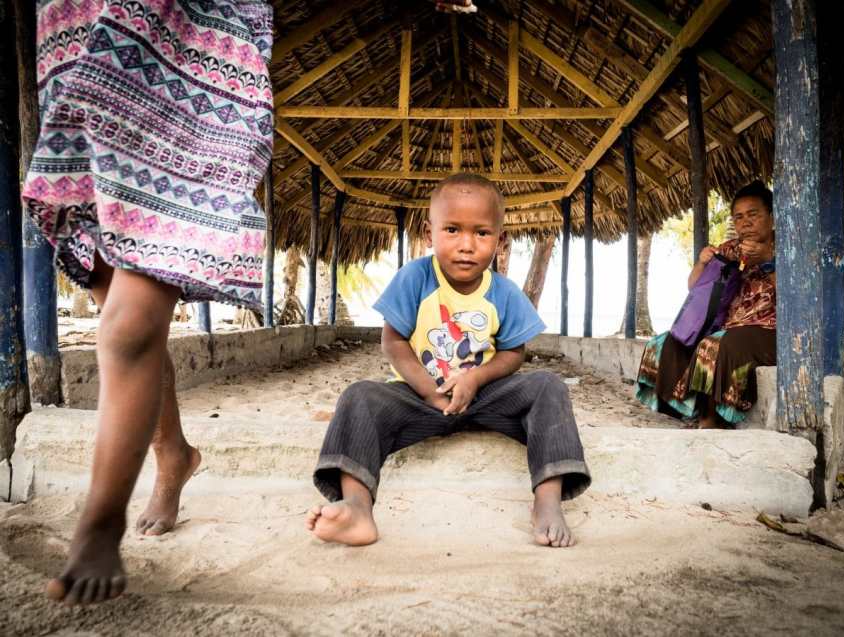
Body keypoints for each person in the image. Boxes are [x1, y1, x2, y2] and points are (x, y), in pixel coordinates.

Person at [21, 1, 273, 604]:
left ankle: (100, 525)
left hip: (194, 48)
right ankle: (172, 451)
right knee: (116, 302)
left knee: (130, 323)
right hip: (84, 37)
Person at [305, 174, 592, 548]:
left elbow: (514, 353)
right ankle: (357, 508)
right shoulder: (415, 278)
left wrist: (476, 379)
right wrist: (428, 390)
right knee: (359, 396)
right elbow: (393, 342)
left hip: (485, 398)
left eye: (482, 233)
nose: (467, 245)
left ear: (501, 241)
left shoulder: (504, 293)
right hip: (419, 397)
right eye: (452, 230)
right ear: (430, 233)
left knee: (548, 386)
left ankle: (547, 502)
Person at [635, 180, 777, 429]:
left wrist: (766, 260)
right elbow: (694, 285)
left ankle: (711, 419)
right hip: (729, 329)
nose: (745, 222)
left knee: (715, 345)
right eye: (739, 217)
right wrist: (702, 263)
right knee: (666, 342)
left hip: (770, 331)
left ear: (772, 217)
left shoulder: (788, 247)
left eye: (753, 214)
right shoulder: (730, 249)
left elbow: (801, 296)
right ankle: (685, 408)